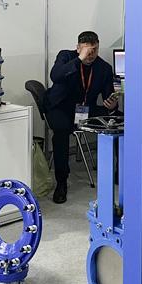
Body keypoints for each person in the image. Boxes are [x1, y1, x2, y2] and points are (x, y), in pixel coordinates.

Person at [45, 31, 118, 204]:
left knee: (120, 121)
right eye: (87, 51)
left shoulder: (104, 68)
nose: (91, 55)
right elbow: (55, 75)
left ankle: (120, 171)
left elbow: (109, 95)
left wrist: (112, 106)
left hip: (85, 109)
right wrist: (79, 59)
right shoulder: (66, 57)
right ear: (78, 48)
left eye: (94, 50)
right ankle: (61, 182)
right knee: (61, 132)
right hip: (60, 106)